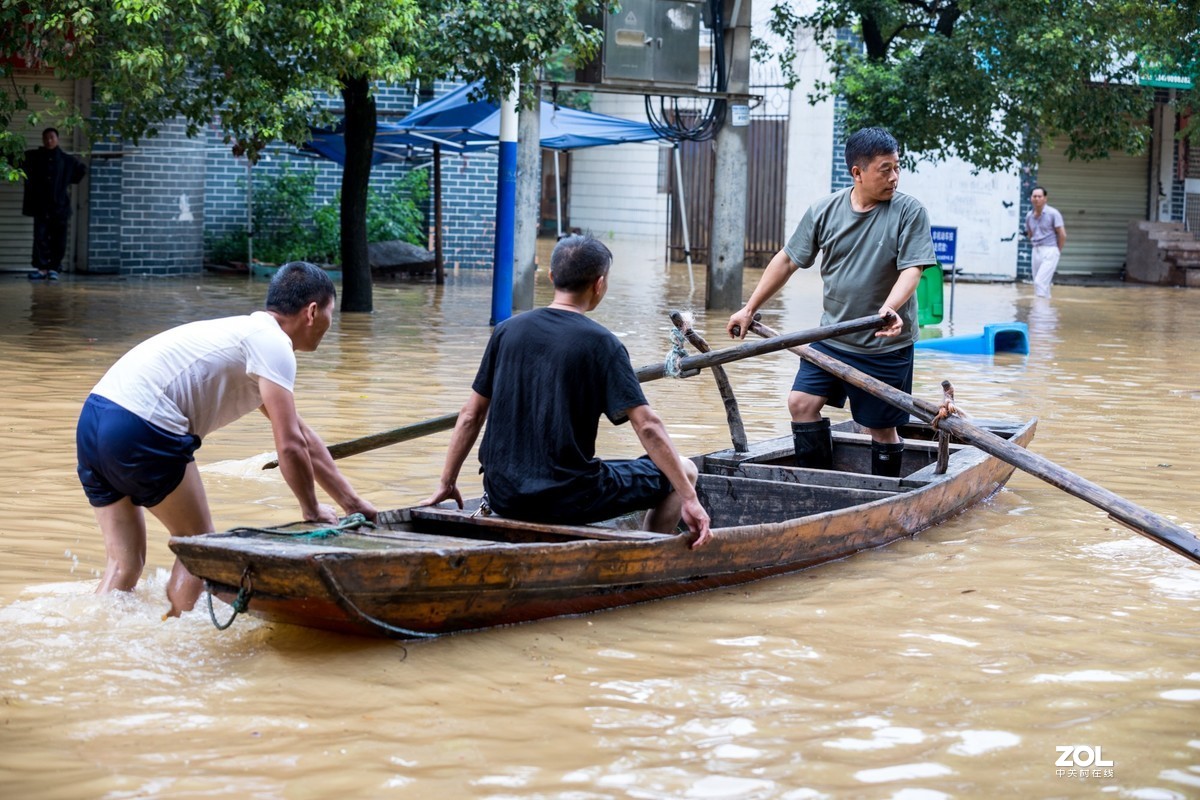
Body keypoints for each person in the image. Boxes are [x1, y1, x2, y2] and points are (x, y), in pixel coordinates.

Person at [77, 261, 377, 616]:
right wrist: (311, 509)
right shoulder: (274, 344)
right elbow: (290, 446)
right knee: (200, 547)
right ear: (313, 312)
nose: (331, 323)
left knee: (125, 565)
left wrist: (351, 502)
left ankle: (96, 636)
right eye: (331, 312)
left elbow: (302, 436)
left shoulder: (245, 335)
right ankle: (174, 645)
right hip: (141, 426)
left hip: (94, 421)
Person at [422, 233, 711, 548]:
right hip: (568, 497)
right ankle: (646, 557)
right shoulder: (603, 344)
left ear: (550, 277)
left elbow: (469, 415)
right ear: (599, 284)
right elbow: (648, 426)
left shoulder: (507, 331)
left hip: (504, 494)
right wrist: (689, 498)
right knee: (683, 470)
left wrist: (446, 482)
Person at [726, 127, 938, 478]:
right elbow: (787, 260)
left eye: (897, 167)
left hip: (884, 345)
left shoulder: (909, 212)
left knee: (880, 428)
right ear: (857, 172)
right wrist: (749, 308)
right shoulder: (825, 211)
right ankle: (818, 482)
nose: (895, 177)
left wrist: (890, 309)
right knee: (800, 404)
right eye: (885, 169)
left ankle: (881, 494)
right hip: (833, 337)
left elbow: (912, 269)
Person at [21, 127, 87, 280]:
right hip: (41, 207)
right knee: (40, 238)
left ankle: (54, 268)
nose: (48, 140)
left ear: (57, 139)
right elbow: (15, 159)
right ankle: (42, 268)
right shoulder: (34, 157)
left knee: (59, 239)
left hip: (60, 207)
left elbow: (80, 172)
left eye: (51, 137)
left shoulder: (66, 160)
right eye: (46, 138)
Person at [1024, 186, 1066, 298]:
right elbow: (1030, 233)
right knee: (1040, 285)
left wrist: (1057, 251)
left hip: (1050, 250)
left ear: (1045, 198)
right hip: (1036, 250)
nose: (1037, 198)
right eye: (1034, 196)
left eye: (1039, 196)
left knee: (1039, 282)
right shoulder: (1029, 216)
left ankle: (1039, 313)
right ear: (1031, 198)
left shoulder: (1053, 213)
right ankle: (1045, 313)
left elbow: (1062, 234)